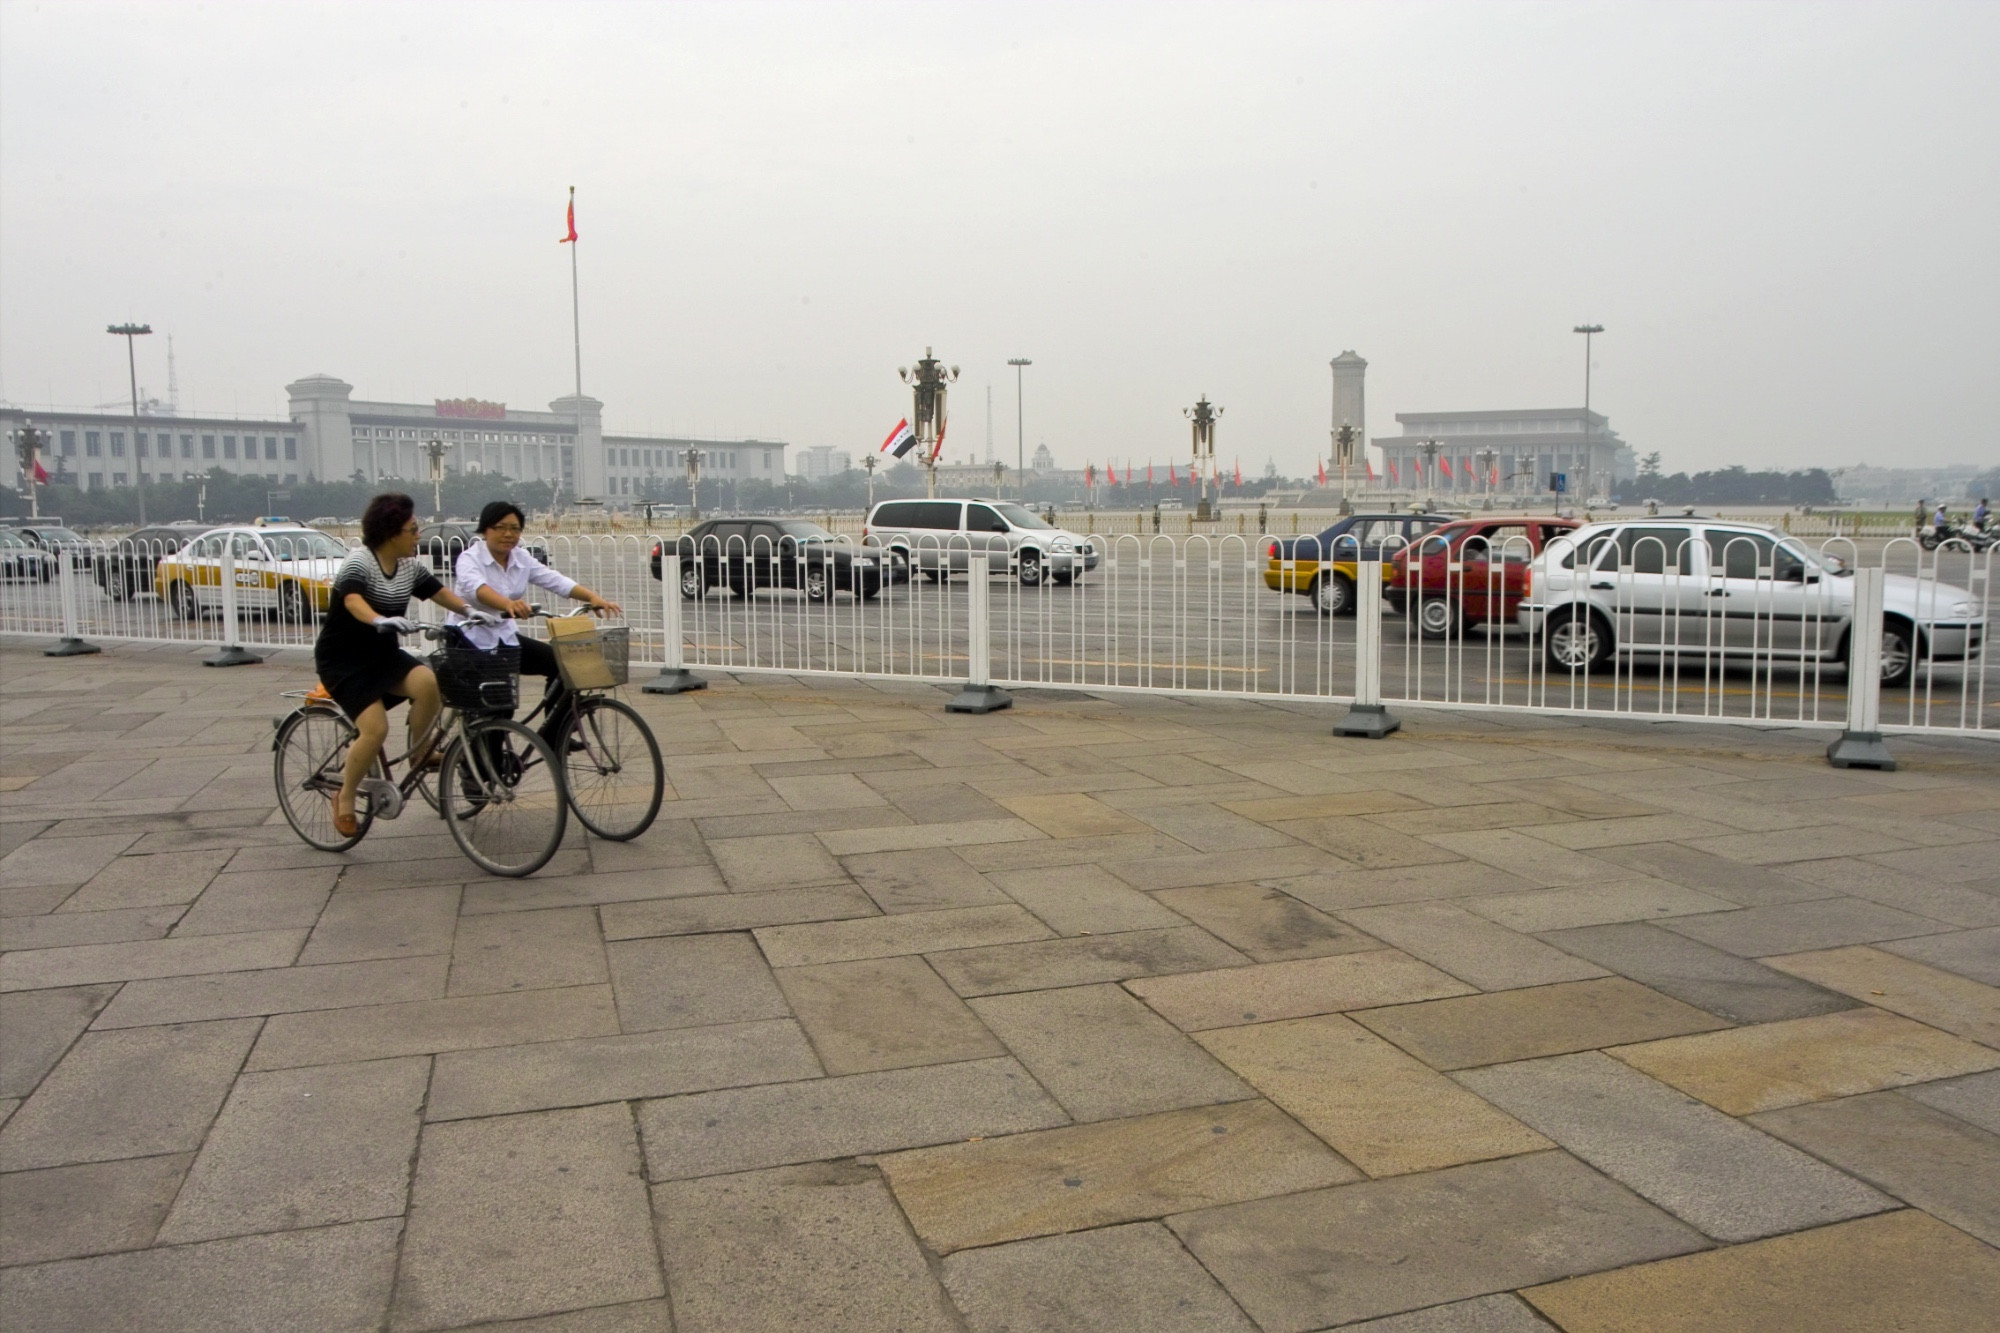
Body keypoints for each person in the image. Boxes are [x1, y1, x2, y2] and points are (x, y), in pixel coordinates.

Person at [315, 492, 484, 836]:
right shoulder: (359, 562)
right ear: (390, 532)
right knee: (376, 729)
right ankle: (344, 797)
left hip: (383, 655)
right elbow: (351, 600)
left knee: (428, 682)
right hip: (344, 660)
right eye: (412, 529)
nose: (417, 535)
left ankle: (419, 753)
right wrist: (378, 619)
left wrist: (469, 610)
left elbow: (438, 592)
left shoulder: (409, 565)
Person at [450, 500, 622, 744]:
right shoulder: (470, 558)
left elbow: (554, 580)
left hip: (504, 638)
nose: (508, 534)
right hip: (471, 641)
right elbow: (477, 589)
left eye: (515, 528)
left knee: (560, 664)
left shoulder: (521, 558)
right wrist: (507, 604)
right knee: (499, 707)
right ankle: (477, 772)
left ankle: (555, 735)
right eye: (500, 527)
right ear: (485, 529)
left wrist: (592, 597)